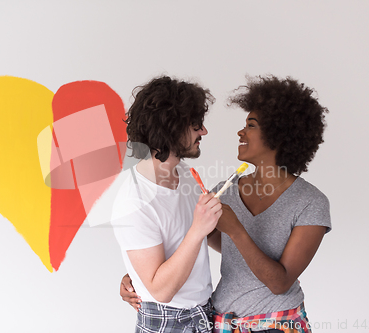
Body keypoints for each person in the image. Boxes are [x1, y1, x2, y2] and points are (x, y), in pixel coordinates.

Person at [120, 75, 331, 333]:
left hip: (276, 323)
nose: (241, 132)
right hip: (218, 322)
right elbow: (190, 239)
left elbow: (280, 283)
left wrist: (235, 229)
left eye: (250, 125)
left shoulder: (310, 202)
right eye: (196, 124)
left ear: (279, 134)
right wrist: (138, 279)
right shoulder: (225, 190)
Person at [111, 76, 223, 333]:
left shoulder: (184, 174)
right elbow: (160, 290)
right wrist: (198, 230)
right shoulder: (134, 200)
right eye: (196, 125)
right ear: (170, 128)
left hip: (204, 313)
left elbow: (204, 237)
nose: (203, 132)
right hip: (168, 322)